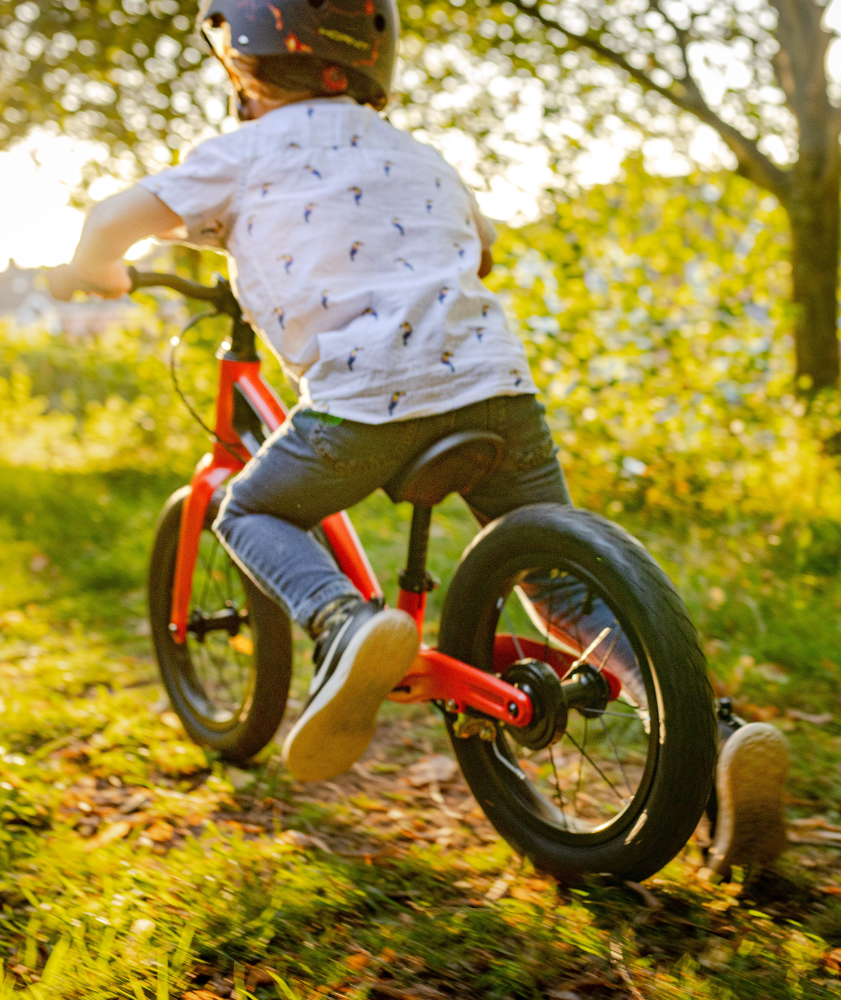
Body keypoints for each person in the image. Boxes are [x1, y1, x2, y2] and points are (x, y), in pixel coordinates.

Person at [47, 0, 788, 875]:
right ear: (366, 67)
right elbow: (483, 246)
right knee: (563, 588)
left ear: (241, 69)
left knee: (248, 512)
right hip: (499, 392)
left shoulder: (238, 154)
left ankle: (342, 623)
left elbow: (109, 224)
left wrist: (94, 273)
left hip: (365, 404)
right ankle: (721, 734)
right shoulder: (420, 156)